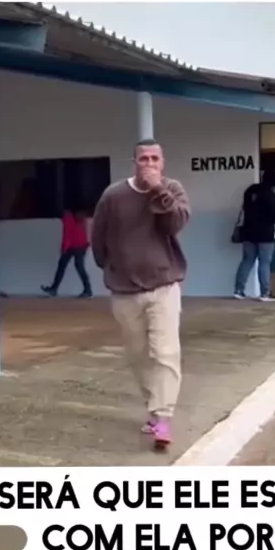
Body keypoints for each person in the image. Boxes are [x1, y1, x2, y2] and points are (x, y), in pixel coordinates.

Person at [90, 138, 190, 449]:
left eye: (154, 159)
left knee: (165, 352)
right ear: (134, 163)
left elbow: (176, 223)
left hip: (164, 286)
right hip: (124, 290)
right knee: (138, 356)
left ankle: (164, 418)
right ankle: (154, 409)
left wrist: (158, 189)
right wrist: (110, 267)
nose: (149, 164)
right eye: (143, 159)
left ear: (163, 162)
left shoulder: (172, 189)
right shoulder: (113, 195)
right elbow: (98, 236)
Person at [234, 169, 275, 302]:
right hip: (265, 233)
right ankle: (265, 293)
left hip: (248, 231)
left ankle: (239, 290)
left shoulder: (250, 190)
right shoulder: (271, 195)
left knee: (247, 260)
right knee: (264, 263)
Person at [41, 208, 92, 297]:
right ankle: (88, 290)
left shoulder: (67, 218)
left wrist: (63, 249)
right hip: (81, 245)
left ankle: (54, 289)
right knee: (79, 267)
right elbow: (82, 233)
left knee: (62, 266)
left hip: (73, 246)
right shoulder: (82, 218)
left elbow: (67, 234)